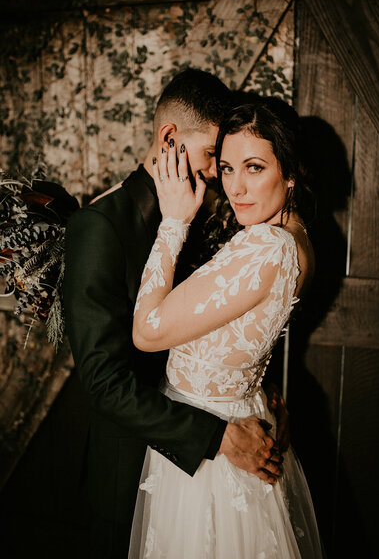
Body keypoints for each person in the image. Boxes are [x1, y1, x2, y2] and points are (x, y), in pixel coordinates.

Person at [63, 70, 289, 559]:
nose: (218, 175)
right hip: (131, 472)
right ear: (170, 139)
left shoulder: (210, 212)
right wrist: (217, 436)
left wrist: (254, 386)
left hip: (206, 478)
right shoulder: (99, 227)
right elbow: (103, 382)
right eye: (213, 156)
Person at [128, 98, 324, 558]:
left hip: (209, 461)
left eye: (254, 168)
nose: (236, 187)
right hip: (243, 417)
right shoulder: (298, 241)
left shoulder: (264, 245)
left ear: (290, 173)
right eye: (229, 168)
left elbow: (146, 332)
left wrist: (173, 222)